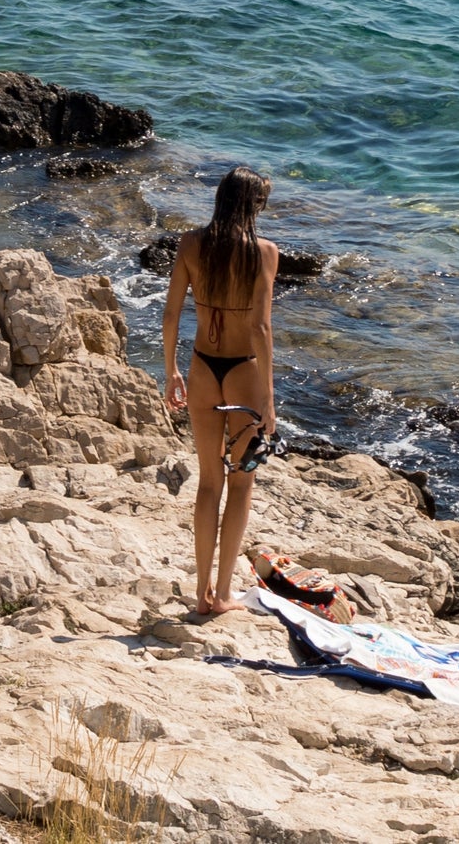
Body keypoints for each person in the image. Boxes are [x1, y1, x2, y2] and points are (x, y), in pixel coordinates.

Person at [161, 166, 278, 616]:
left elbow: (171, 314)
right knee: (241, 484)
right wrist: (267, 399)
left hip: (202, 367)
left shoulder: (191, 244)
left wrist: (171, 370)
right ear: (254, 206)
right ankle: (225, 594)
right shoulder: (264, 253)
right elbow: (261, 328)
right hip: (244, 371)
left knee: (208, 483)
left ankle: (201, 592)